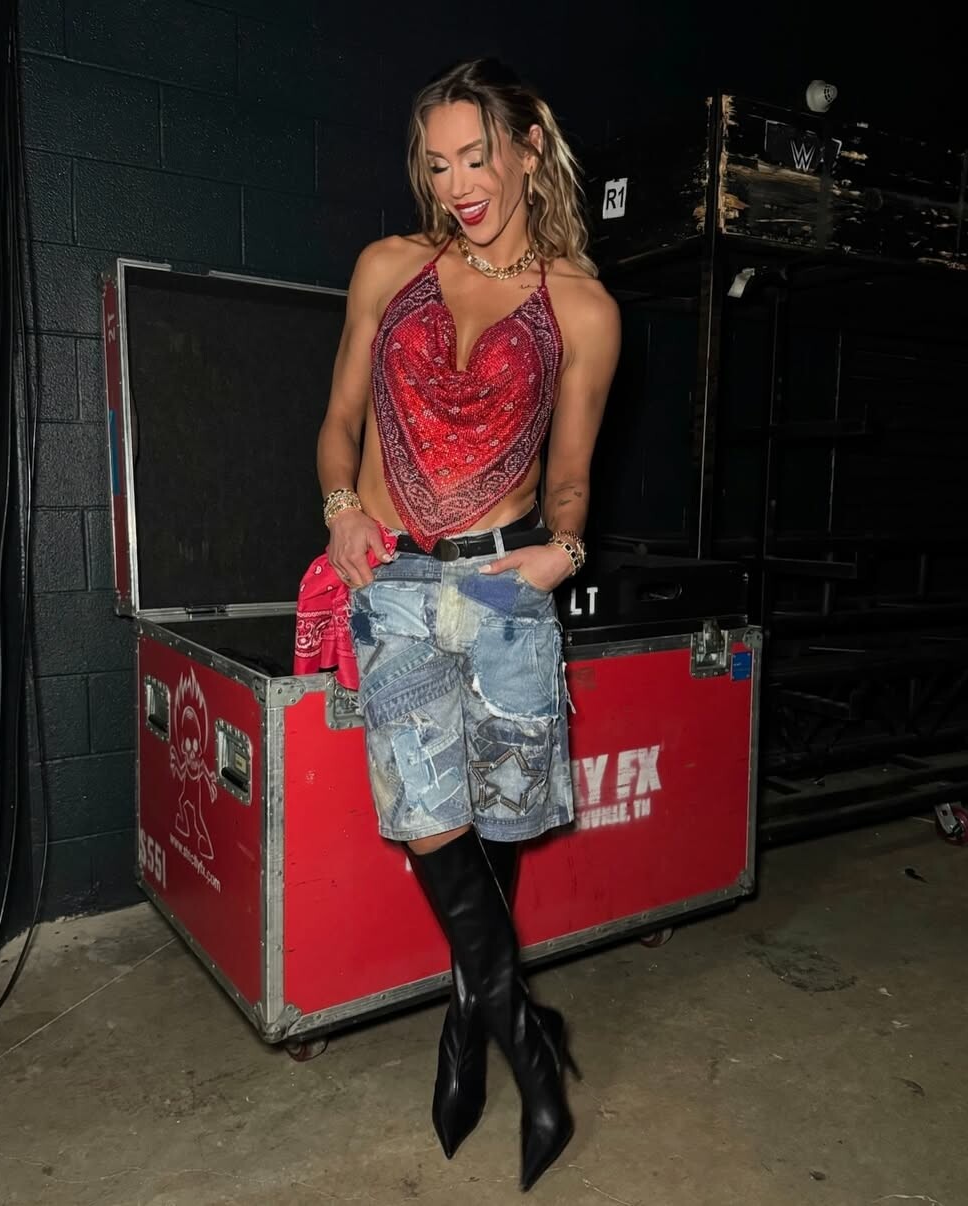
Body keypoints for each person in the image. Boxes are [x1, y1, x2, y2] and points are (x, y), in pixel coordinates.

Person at [314, 58, 620, 1191]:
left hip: (502, 588)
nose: (457, 185)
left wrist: (563, 550)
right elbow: (338, 424)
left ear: (528, 148)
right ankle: (532, 1051)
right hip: (397, 582)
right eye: (436, 165)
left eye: (475, 157)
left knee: (494, 833)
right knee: (430, 823)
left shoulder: (581, 307)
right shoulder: (387, 268)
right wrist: (342, 508)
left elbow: (572, 478)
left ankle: (463, 1031)